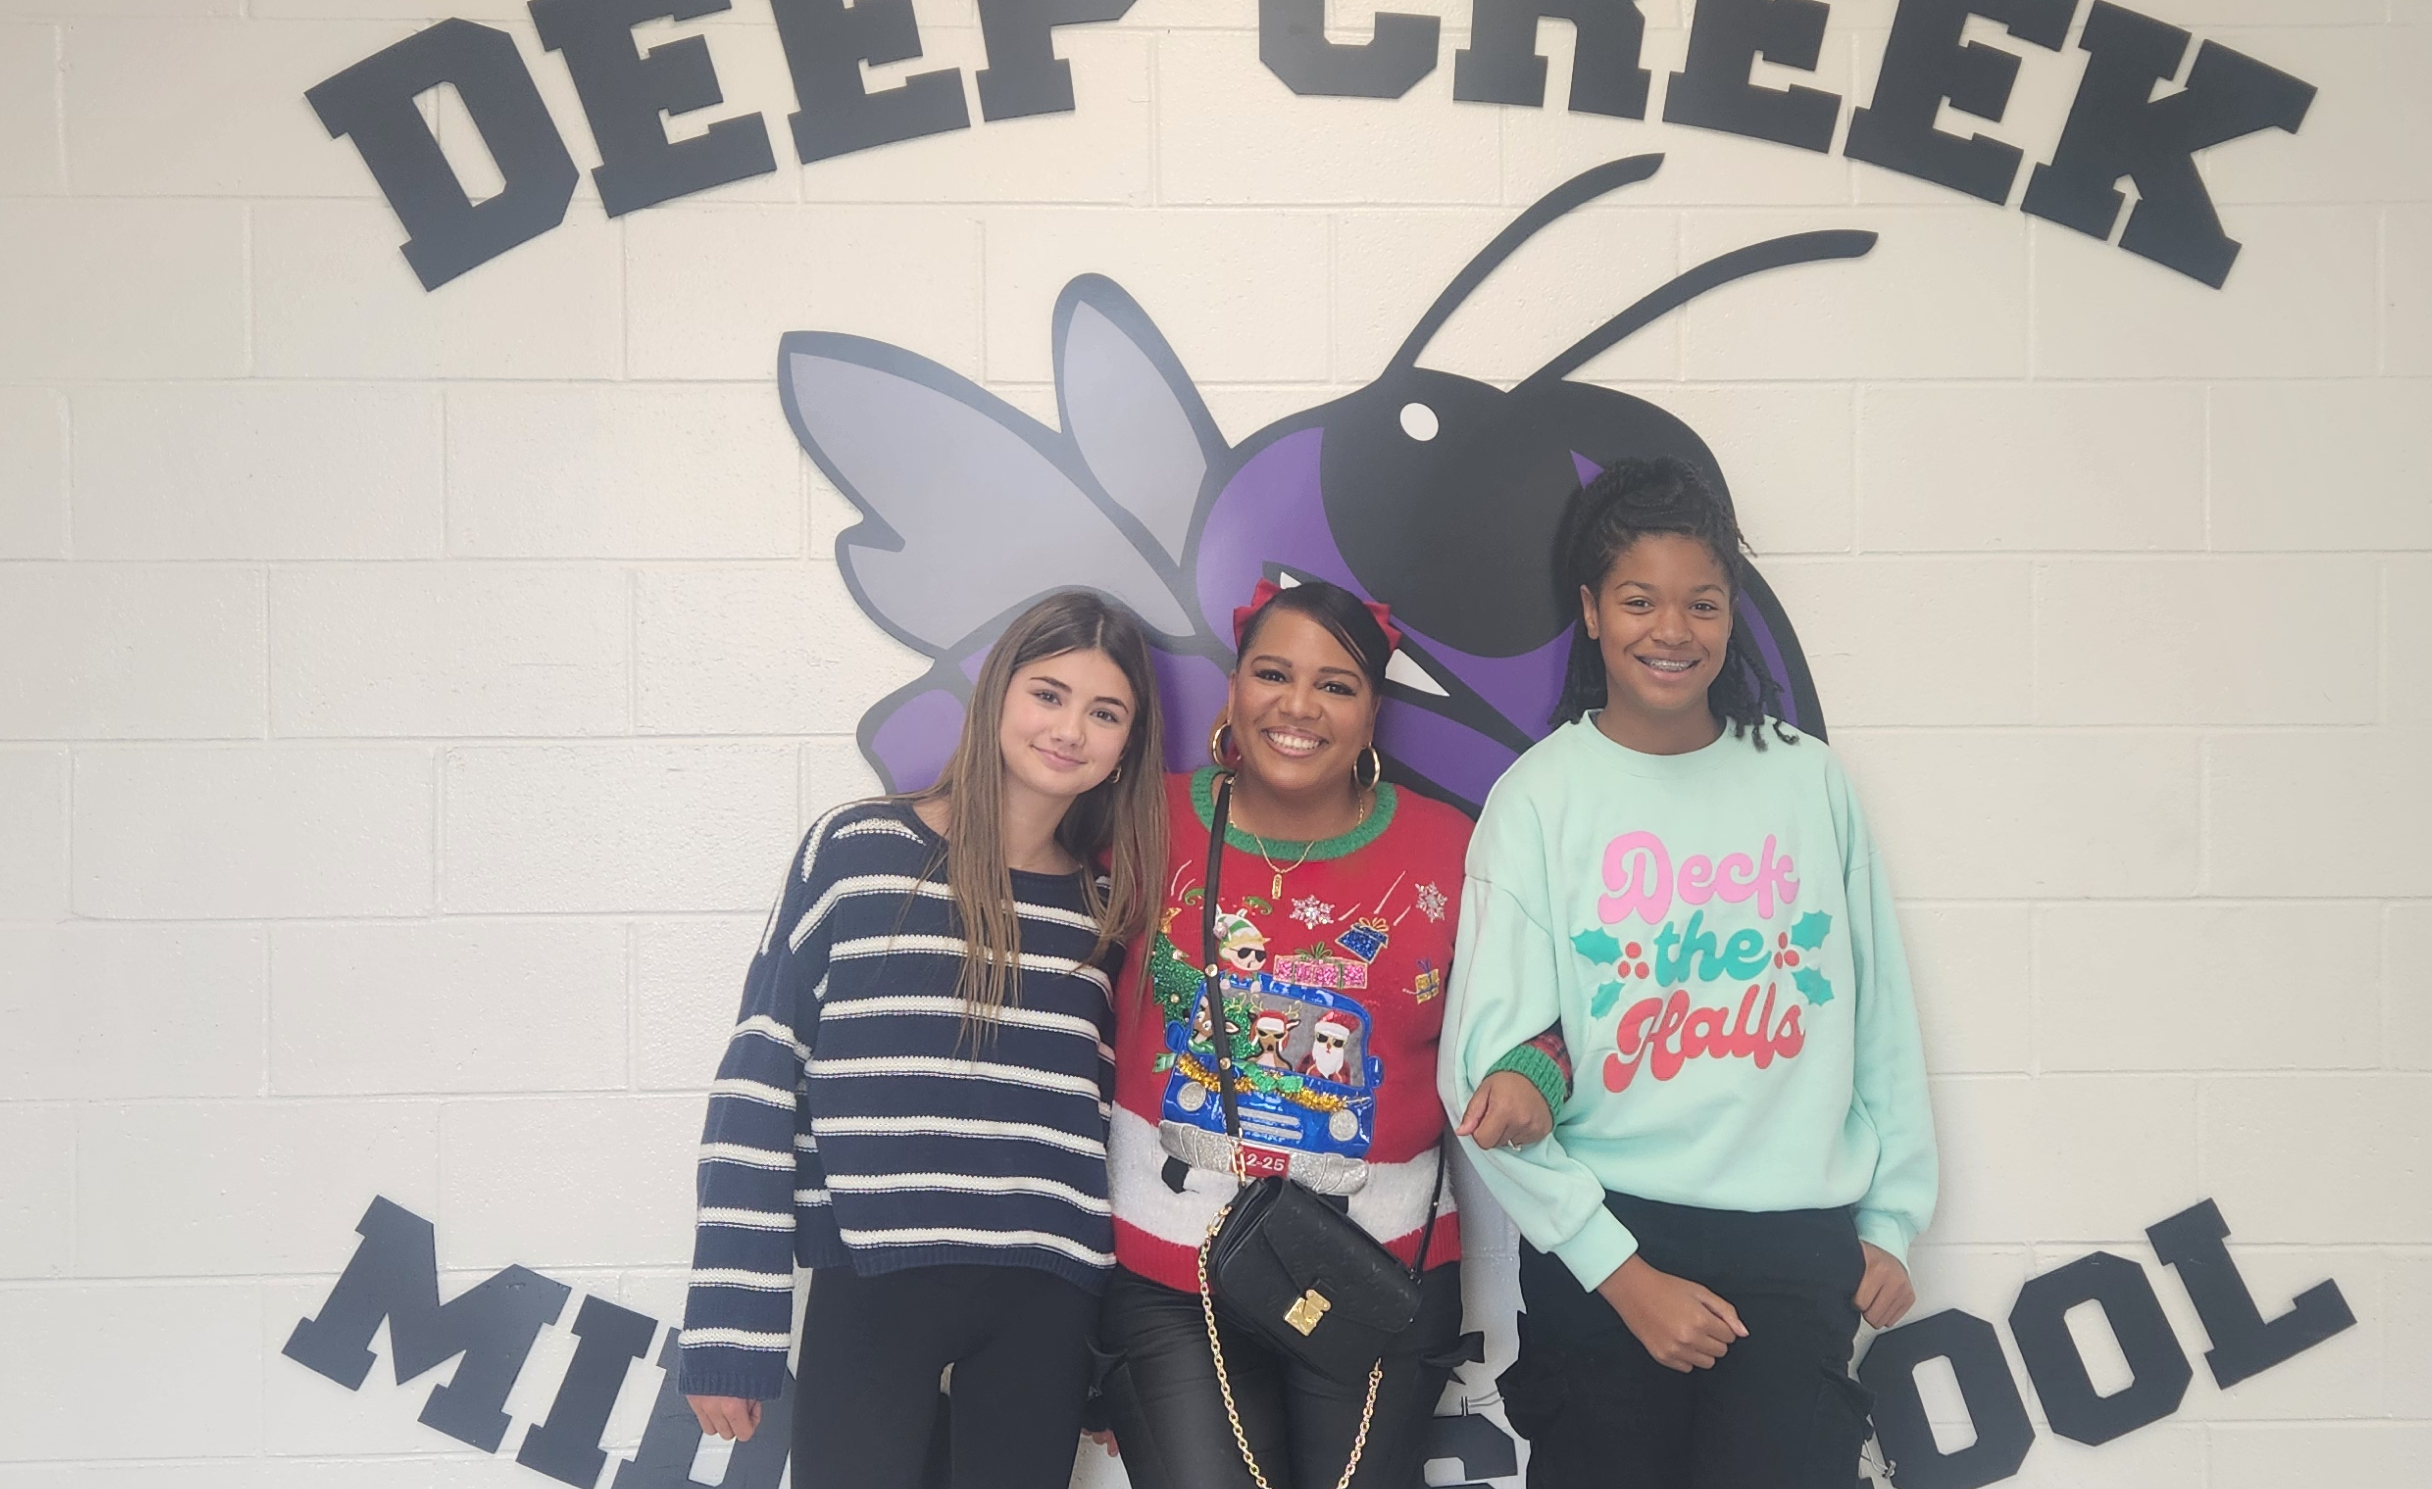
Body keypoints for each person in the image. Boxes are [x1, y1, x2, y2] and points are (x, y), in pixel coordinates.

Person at [1442, 458, 1938, 1489]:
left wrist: (1888, 1219)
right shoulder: (1537, 802)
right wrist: (1620, 1277)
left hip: (1796, 1243)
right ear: (1588, 611)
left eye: (1700, 603)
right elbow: (1481, 1076)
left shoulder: (1805, 782)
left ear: (1729, 616)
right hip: (1610, 1234)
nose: (1671, 629)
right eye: (1637, 600)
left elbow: (1877, 1015)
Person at [677, 590, 1168, 1489]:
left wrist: (1115, 1358)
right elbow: (759, 1075)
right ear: (997, 695)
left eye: (1106, 712)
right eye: (1049, 693)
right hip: (873, 1278)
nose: (1070, 729)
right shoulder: (857, 851)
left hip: (1044, 1305)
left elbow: (1107, 1138)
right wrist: (731, 1322)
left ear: (1127, 745)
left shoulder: (1106, 916)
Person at [1094, 579, 1570, 1489]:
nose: (1299, 706)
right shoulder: (1140, 821)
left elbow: (1554, 1019)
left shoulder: (1453, 851)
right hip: (1170, 1276)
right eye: (1273, 673)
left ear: (1372, 713)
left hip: (1374, 1276)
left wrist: (1531, 1076)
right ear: (1234, 690)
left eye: (1337, 685)